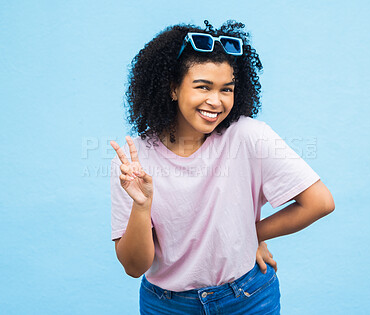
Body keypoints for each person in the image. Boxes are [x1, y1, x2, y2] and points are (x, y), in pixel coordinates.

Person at [110, 20, 335, 314]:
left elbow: (320, 202)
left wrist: (251, 234)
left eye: (226, 89)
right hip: (167, 306)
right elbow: (134, 267)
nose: (215, 101)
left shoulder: (248, 136)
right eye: (203, 87)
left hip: (249, 297)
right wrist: (142, 206)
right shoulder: (133, 161)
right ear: (173, 88)